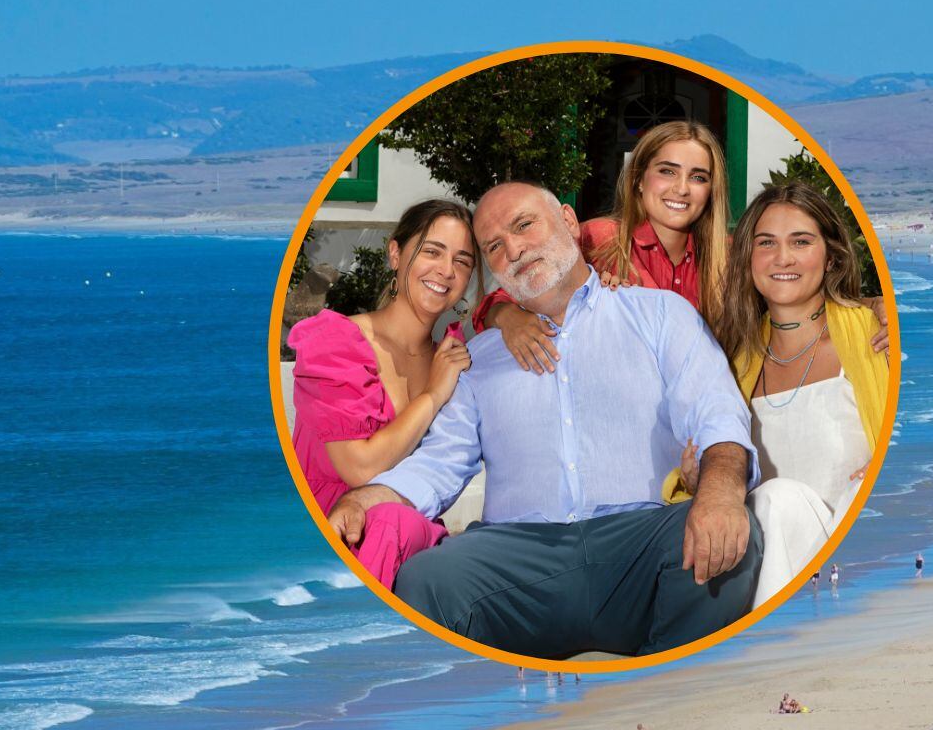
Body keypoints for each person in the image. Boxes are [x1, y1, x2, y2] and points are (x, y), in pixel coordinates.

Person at [328, 183, 762, 659]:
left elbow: (717, 411)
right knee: (427, 579)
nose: (513, 249)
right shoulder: (477, 360)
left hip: (638, 542)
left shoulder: (660, 315)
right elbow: (439, 463)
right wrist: (365, 498)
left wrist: (720, 493)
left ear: (570, 223)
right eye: (493, 246)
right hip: (519, 559)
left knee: (731, 537)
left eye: (523, 225)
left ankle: (657, 695)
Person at [476, 121, 889, 370]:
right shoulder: (599, 238)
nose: (681, 189)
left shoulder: (729, 255)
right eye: (667, 171)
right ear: (639, 178)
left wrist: (874, 307)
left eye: (698, 176)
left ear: (711, 189)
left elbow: (800, 296)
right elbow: (523, 276)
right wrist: (507, 317)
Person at [695, 182, 890, 607]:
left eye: (800, 241)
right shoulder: (730, 367)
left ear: (831, 255)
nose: (782, 258)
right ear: (748, 257)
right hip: (776, 561)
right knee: (774, 499)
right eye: (767, 243)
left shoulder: (877, 338)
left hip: (861, 557)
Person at [286, 200, 479, 587]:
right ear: (395, 254)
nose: (446, 270)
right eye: (432, 251)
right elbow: (360, 469)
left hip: (402, 534)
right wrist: (433, 395)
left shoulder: (453, 360)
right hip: (327, 526)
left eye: (462, 261)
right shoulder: (337, 343)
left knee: (400, 522)